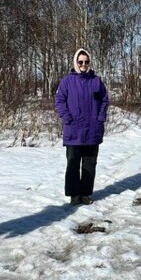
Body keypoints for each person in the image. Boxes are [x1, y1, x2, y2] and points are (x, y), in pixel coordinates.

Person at [54, 48, 109, 204]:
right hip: (74, 130)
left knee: (89, 164)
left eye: (86, 62)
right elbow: (59, 101)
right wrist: (67, 118)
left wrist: (100, 117)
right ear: (76, 63)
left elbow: (104, 100)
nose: (83, 64)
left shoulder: (96, 81)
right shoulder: (67, 82)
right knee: (72, 164)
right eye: (80, 62)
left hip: (92, 131)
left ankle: (85, 194)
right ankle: (74, 195)